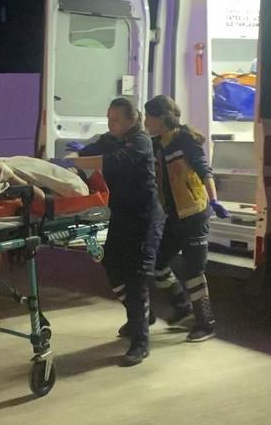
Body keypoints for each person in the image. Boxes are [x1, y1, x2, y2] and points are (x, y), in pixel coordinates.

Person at [66, 98, 163, 366]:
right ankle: (141, 315)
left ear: (132, 120)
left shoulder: (141, 141)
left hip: (143, 219)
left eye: (116, 120)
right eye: (108, 119)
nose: (110, 124)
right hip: (120, 217)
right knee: (112, 266)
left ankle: (140, 342)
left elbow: (112, 162)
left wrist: (79, 160)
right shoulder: (108, 140)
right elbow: (88, 154)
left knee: (136, 277)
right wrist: (73, 160)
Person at [143, 95, 228, 343]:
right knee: (159, 264)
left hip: (194, 215)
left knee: (194, 271)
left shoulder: (185, 141)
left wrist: (214, 200)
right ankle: (183, 309)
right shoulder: (155, 144)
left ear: (161, 119)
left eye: (149, 116)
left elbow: (204, 171)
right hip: (173, 216)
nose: (146, 121)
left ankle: (206, 323)